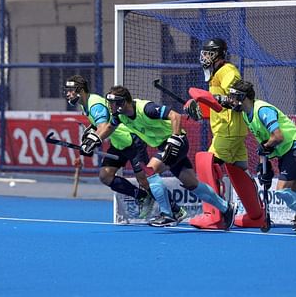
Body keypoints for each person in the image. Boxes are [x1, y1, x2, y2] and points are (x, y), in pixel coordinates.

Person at [82, 85, 237, 229]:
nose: (111, 107)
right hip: (164, 146)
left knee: (150, 171)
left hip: (176, 142)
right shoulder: (120, 116)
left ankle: (168, 214)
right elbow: (109, 127)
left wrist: (175, 138)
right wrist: (97, 138)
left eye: (113, 103)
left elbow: (175, 115)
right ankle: (225, 207)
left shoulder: (146, 108)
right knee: (191, 183)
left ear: (124, 102)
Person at [183, 38, 265, 229]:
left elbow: (236, 98)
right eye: (203, 53)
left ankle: (214, 215)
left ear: (219, 55)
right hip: (230, 130)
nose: (205, 57)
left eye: (209, 53)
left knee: (206, 162)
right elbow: (219, 106)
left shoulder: (227, 71)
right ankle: (256, 216)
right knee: (237, 170)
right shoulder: (216, 74)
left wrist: (210, 98)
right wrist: (201, 108)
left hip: (228, 131)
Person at [227, 79, 296, 235]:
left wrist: (266, 147)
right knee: (293, 189)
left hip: (294, 145)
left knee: (281, 191)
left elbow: (277, 137)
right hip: (285, 150)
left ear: (243, 97)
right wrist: (263, 166)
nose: (231, 101)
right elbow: (264, 143)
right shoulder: (247, 115)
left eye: (234, 97)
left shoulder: (262, 110)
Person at [63, 75, 155, 219]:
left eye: (71, 90)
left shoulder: (94, 104)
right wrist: (89, 138)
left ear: (80, 90)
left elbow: (103, 126)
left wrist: (92, 142)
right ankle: (142, 197)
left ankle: (169, 208)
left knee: (143, 179)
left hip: (131, 139)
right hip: (118, 143)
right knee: (105, 176)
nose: (68, 93)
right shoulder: (84, 104)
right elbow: (97, 126)